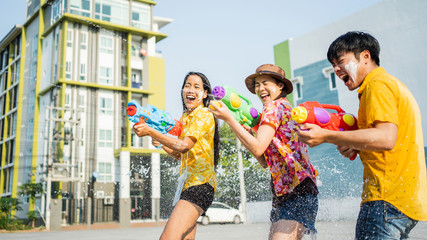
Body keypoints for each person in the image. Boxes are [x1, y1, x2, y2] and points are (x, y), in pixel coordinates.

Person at [297, 31, 427, 239]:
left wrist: (326, 136)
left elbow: (385, 138)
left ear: (366, 56)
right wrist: (357, 145)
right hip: (406, 201)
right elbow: (392, 140)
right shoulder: (393, 85)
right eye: (333, 65)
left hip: (385, 199)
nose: (336, 70)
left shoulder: (376, 86)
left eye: (340, 61)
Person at [209, 64, 319, 240]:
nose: (260, 89)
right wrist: (246, 133)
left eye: (265, 83)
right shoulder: (285, 107)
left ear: (280, 85)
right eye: (257, 85)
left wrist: (229, 118)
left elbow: (258, 147)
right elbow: (264, 161)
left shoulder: (272, 108)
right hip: (291, 190)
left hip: (296, 190)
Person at [133, 72, 220, 240]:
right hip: (189, 186)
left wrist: (152, 131)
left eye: (196, 86)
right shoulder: (186, 117)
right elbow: (181, 154)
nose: (190, 89)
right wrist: (162, 143)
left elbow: (184, 145)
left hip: (199, 185)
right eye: (187, 85)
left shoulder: (202, 114)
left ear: (205, 94)